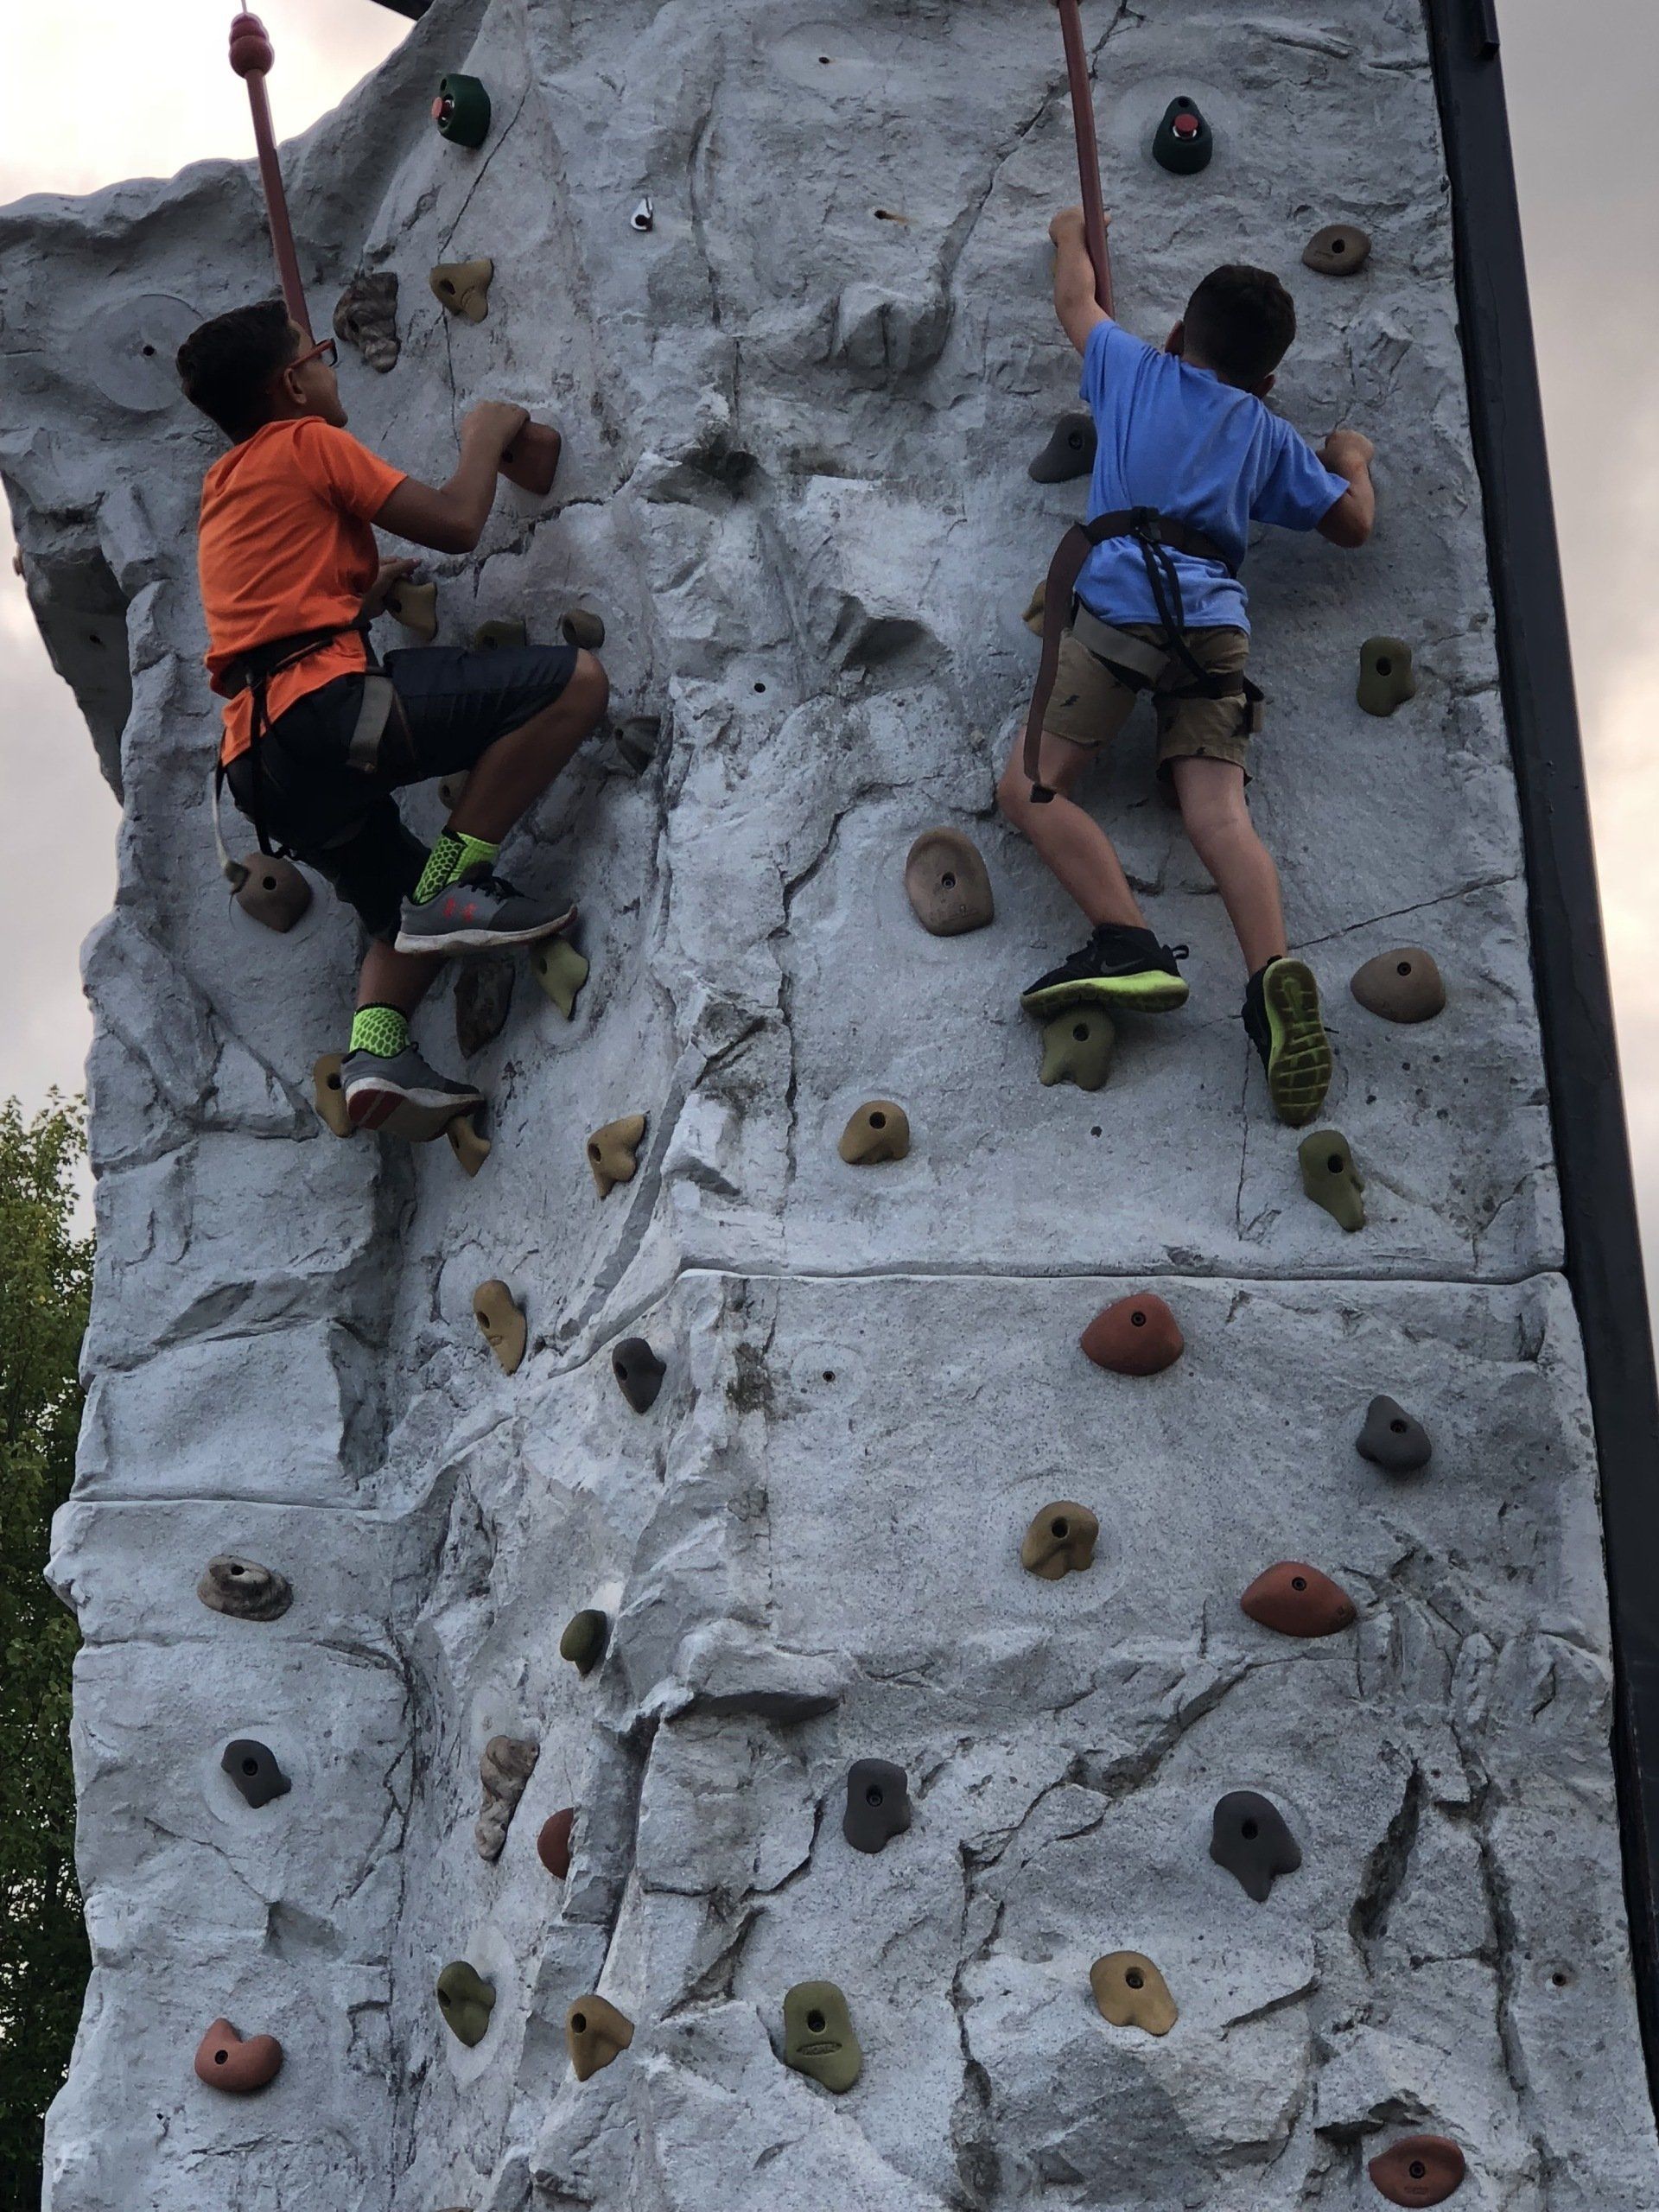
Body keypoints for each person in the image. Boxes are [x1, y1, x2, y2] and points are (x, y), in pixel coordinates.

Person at [175, 298, 610, 1138]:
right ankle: (456, 881)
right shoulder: (307, 442)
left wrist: (356, 600)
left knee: (396, 910)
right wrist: (485, 435)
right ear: (294, 383)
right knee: (575, 684)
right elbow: (455, 521)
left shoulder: (225, 486)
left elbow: (272, 614)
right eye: (322, 355)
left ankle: (376, 1051)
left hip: (259, 769)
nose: (332, 369)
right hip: (328, 712)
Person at [998, 208, 1376, 1128]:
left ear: (1177, 336)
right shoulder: (1267, 432)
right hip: (1214, 624)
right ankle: (1268, 980)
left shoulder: (1131, 367)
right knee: (1218, 811)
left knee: (1031, 787)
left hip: (1125, 598)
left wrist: (1068, 233)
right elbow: (1351, 525)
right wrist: (1352, 457)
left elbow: (1075, 299)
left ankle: (1126, 938)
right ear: (1269, 377)